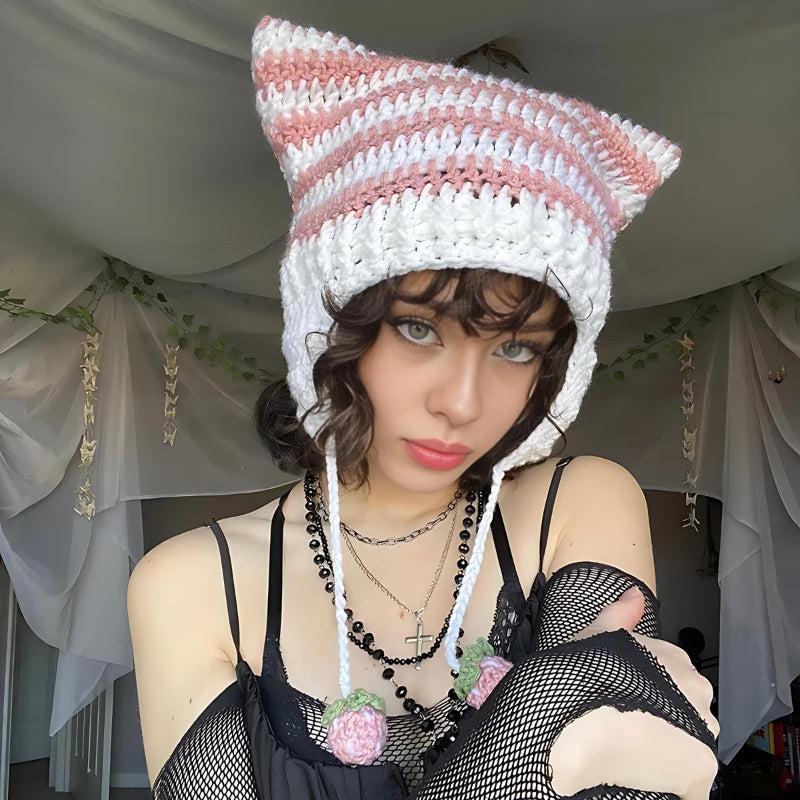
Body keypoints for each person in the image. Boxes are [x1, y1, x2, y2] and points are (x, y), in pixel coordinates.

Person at [128, 14, 719, 800]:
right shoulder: (195, 585)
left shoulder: (576, 505)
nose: (463, 404)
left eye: (516, 348)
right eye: (418, 329)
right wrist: (549, 731)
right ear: (329, 330)